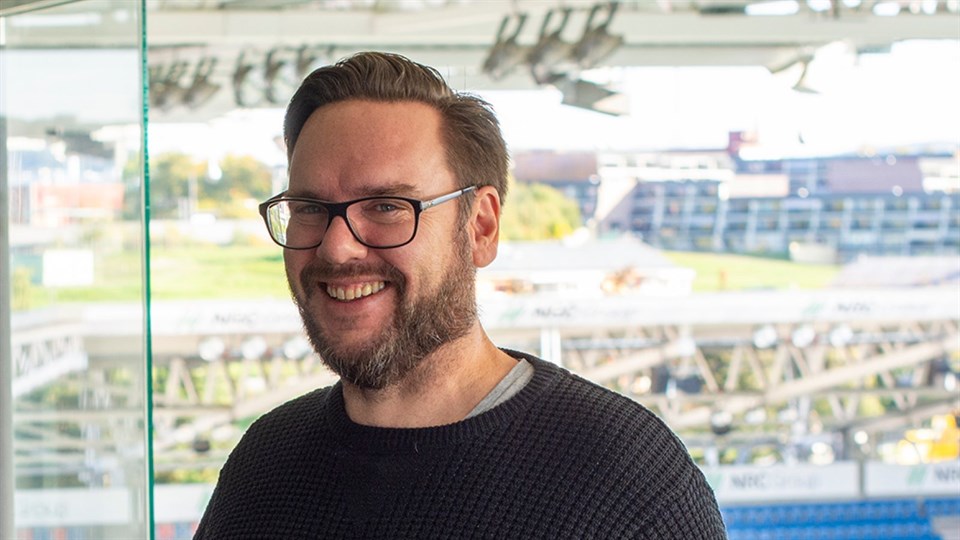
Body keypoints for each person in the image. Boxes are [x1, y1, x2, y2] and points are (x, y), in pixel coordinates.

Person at [195, 51, 726, 539]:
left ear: (481, 227)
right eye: (310, 208)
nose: (337, 248)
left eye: (387, 206)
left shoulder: (627, 486)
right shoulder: (264, 464)